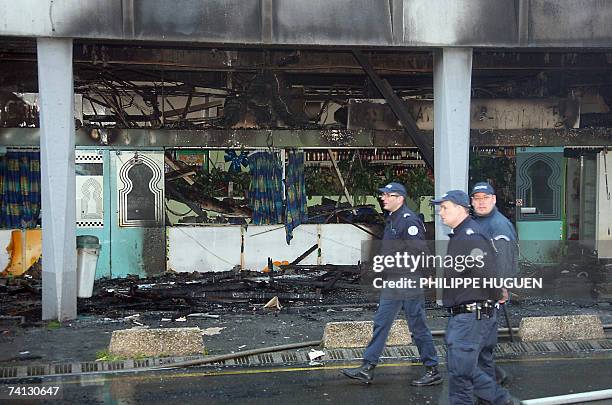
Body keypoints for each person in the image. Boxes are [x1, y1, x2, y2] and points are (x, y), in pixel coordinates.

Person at [340, 182, 441, 386]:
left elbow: (421, 250)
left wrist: (429, 274)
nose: (383, 198)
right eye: (383, 194)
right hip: (394, 280)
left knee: (418, 326)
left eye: (388, 195)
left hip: (408, 280)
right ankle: (367, 367)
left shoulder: (408, 220)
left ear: (400, 198)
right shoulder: (392, 218)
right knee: (381, 323)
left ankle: (433, 369)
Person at [431, 190, 519, 405]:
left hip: (471, 316)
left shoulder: (470, 236)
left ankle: (503, 401)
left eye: (445, 208)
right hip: (464, 315)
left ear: (461, 209)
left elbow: (486, 273)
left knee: (462, 370)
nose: (440, 213)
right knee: (460, 373)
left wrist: (497, 293)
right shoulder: (462, 235)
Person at [471, 182, 518, 389]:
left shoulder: (498, 225)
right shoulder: (478, 222)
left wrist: (500, 288)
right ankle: (495, 377)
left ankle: (489, 388)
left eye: (485, 198)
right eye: (477, 199)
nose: (481, 203)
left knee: (480, 341)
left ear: (494, 199)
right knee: (479, 341)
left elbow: (504, 261)